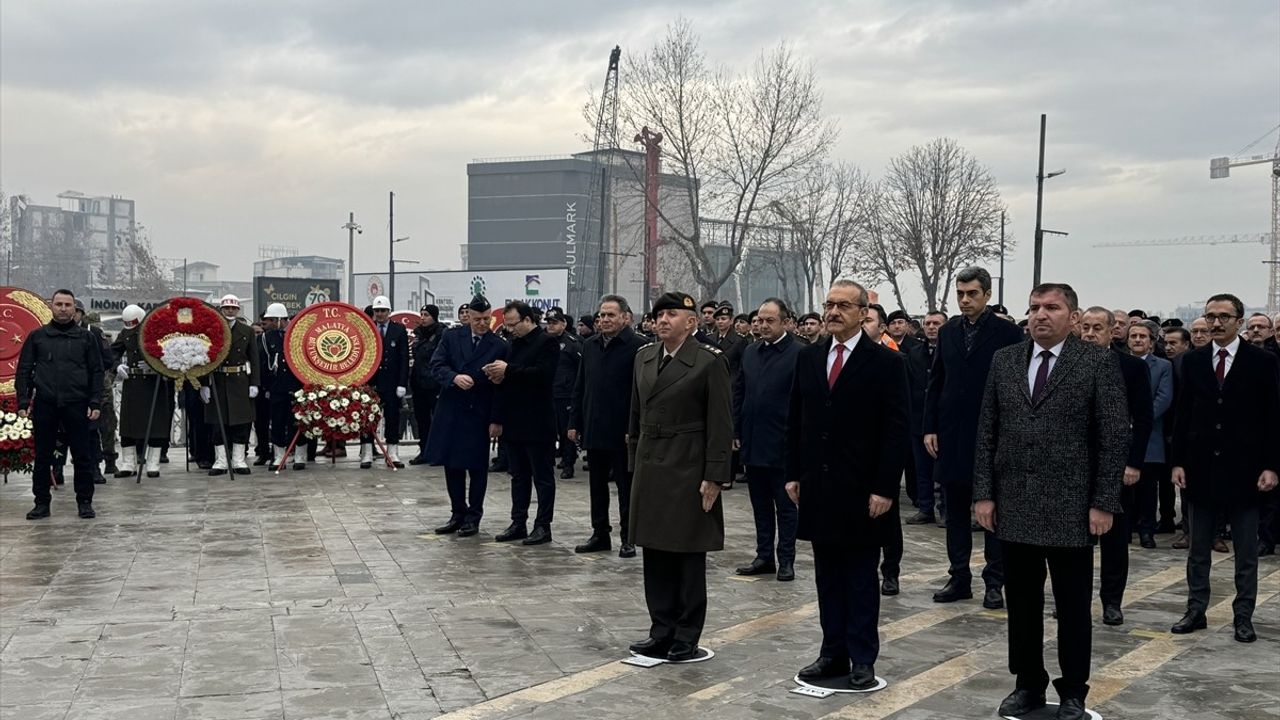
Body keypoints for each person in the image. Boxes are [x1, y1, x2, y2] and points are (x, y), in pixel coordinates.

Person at [973, 283, 1127, 720]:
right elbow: (987, 431)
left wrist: (1103, 502)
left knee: (1073, 606)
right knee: (1021, 604)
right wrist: (983, 494)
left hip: (1073, 508)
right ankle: (1027, 684)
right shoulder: (1005, 361)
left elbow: (1114, 436)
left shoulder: (1096, 362)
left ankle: (1074, 690)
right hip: (1015, 503)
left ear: (1072, 317)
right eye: (1035, 307)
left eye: (1052, 308)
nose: (1041, 315)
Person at [784, 280, 908, 691]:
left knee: (859, 575)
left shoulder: (886, 362)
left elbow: (896, 430)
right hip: (819, 486)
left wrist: (885, 488)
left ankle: (862, 657)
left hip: (863, 489)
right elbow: (796, 420)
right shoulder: (809, 358)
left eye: (843, 306)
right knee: (826, 575)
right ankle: (831, 651)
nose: (833, 312)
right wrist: (793, 473)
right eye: (829, 304)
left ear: (862, 312)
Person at [626, 291, 731, 662]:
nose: (663, 320)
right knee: (654, 552)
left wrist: (715, 475)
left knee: (687, 553)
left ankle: (687, 634)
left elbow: (721, 422)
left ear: (692, 322)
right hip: (652, 464)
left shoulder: (707, 362)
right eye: (659, 315)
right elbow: (635, 417)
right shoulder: (644, 358)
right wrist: (633, 463)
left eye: (672, 314)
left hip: (688, 465)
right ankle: (661, 629)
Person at [1170, 293, 1280, 644]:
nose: (1216, 323)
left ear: (1240, 320)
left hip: (1246, 468)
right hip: (1201, 466)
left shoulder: (1262, 362)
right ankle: (1195, 609)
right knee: (1198, 548)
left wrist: (1271, 466)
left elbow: (1273, 417)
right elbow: (1183, 413)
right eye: (1210, 316)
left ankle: (1243, 614)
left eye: (1224, 317)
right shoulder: (1193, 361)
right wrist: (1178, 461)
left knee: (1246, 550)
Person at [923, 266, 1023, 609]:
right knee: (954, 511)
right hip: (952, 433)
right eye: (961, 294)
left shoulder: (1007, 334)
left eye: (972, 294)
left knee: (992, 512)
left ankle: (994, 581)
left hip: (993, 434)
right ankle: (959, 576)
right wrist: (930, 426)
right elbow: (936, 382)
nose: (965, 301)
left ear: (987, 295)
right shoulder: (948, 331)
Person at [1079, 308, 1152, 628]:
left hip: (1116, 466)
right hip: (1074, 467)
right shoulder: (1067, 364)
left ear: (1113, 332)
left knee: (1114, 539)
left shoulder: (1131, 367)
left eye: (1098, 328)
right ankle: (1074, 600)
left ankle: (1112, 602)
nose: (1091, 333)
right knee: (1074, 542)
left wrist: (1133, 462)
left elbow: (1144, 418)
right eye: (1086, 327)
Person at [569, 295, 647, 557]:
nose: (604, 320)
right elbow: (581, 386)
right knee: (597, 486)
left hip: (623, 431)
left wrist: (634, 428)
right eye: (601, 315)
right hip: (594, 426)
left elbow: (642, 393)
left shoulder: (639, 347)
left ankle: (629, 538)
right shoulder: (590, 345)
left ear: (626, 317)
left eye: (611, 315)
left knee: (626, 488)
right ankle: (600, 533)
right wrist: (574, 422)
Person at [17, 289, 105, 520]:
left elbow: (97, 371)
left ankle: (84, 501)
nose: (63, 308)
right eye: (59, 304)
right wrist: (23, 401)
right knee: (44, 456)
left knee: (82, 455)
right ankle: (41, 503)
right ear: (51, 307)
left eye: (68, 305)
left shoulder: (87, 338)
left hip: (77, 403)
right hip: (46, 403)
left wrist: (95, 401)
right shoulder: (37, 337)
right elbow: (24, 370)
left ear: (75, 309)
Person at [425, 294, 508, 537]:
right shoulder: (451, 337)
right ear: (468, 317)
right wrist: (454, 377)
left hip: (479, 411)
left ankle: (474, 516)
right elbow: (436, 365)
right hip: (452, 408)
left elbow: (501, 387)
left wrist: (496, 419)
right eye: (478, 319)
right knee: (452, 465)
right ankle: (457, 513)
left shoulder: (499, 345)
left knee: (477, 467)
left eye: (486, 319)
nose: (483, 323)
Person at [732, 298, 801, 582]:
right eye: (759, 320)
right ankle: (764, 556)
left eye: (769, 321)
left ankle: (786, 559)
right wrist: (736, 431)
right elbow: (740, 393)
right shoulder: (750, 352)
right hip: (753, 440)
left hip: (784, 443)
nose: (762, 326)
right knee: (760, 505)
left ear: (785, 322)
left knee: (785, 507)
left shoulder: (800, 353)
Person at [486, 301, 559, 546]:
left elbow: (543, 375)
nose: (510, 330)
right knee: (518, 476)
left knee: (542, 477)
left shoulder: (547, 342)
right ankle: (518, 522)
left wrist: (509, 370)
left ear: (528, 320)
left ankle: (542, 526)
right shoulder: (512, 344)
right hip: (514, 422)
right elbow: (505, 383)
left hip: (538, 422)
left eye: (513, 325)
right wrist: (496, 375)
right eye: (507, 326)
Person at [111, 303, 176, 479]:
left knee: (156, 424)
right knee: (128, 423)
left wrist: (158, 365)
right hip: (133, 383)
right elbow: (112, 352)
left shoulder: (158, 332)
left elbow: (172, 354)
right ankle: (128, 463)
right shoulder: (126, 333)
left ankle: (153, 463)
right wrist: (117, 366)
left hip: (154, 382)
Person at [200, 294, 261, 476]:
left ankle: (238, 460)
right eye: (227, 308)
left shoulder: (247, 331)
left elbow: (254, 359)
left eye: (234, 308)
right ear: (221, 309)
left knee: (241, 423)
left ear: (238, 310)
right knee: (218, 424)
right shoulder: (211, 330)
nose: (230, 311)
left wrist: (254, 383)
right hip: (217, 381)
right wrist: (203, 384)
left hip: (239, 381)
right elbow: (202, 359)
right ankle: (221, 461)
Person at [1128, 319, 1174, 548]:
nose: (1137, 340)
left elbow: (1163, 398)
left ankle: (1147, 531)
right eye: (1133, 336)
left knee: (1147, 489)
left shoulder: (1163, 367)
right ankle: (1125, 529)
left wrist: (1137, 421)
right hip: (1119, 435)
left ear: (1152, 342)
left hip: (1149, 436)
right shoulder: (1119, 363)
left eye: (1142, 336)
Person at [905, 311, 945, 526]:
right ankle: (925, 508)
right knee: (922, 469)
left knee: (944, 470)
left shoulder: (951, 351)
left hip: (943, 421)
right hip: (919, 419)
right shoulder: (914, 353)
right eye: (928, 323)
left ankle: (945, 510)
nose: (931, 327)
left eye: (936, 323)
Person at [361, 295, 409, 468]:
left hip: (392, 382)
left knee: (392, 417)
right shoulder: (367, 329)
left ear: (389, 311)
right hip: (371, 383)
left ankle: (393, 451)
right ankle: (366, 452)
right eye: (377, 311)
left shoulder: (399, 330)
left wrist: (402, 383)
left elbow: (404, 358)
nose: (380, 314)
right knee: (367, 418)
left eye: (383, 310)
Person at [258, 303, 305, 470]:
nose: (267, 323)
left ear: (280, 320)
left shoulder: (298, 334)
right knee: (277, 421)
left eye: (270, 320)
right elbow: (264, 364)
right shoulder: (266, 338)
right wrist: (265, 387)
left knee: (298, 422)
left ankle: (300, 455)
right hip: (276, 387)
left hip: (298, 386)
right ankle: (278, 456)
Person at [544, 307, 581, 479]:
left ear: (563, 324)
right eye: (549, 323)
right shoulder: (543, 342)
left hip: (566, 394)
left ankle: (568, 464)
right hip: (548, 393)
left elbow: (582, 368)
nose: (551, 326)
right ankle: (550, 459)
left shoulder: (572, 343)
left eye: (554, 323)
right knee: (550, 430)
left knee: (567, 432)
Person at [408, 304, 444, 465]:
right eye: (421, 314)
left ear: (434, 317)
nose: (423, 317)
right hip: (419, 383)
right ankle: (425, 451)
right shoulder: (418, 335)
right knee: (422, 420)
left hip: (435, 384)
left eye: (426, 315)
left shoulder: (442, 334)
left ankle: (439, 452)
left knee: (438, 420)